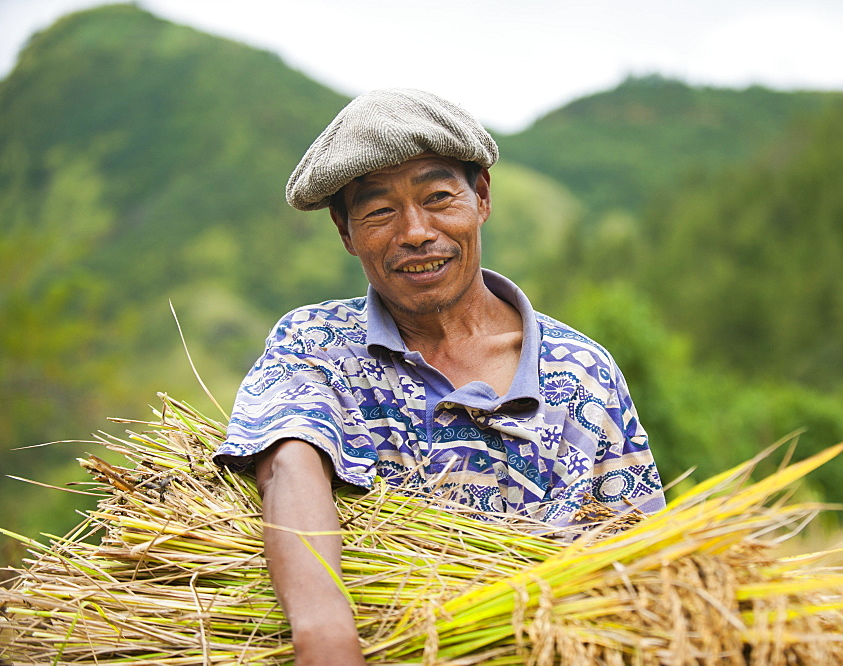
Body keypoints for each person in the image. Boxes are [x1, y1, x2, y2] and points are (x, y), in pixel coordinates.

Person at [215, 88, 665, 665]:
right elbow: (287, 462)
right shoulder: (317, 345)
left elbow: (639, 554)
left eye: (438, 197)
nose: (416, 232)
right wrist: (326, 636)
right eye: (379, 211)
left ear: (480, 197)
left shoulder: (583, 373)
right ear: (345, 232)